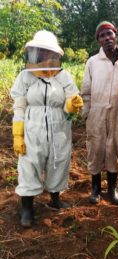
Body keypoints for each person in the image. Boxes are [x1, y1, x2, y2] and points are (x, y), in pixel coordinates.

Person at [11, 30, 83, 228]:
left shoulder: (64, 77)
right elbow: (19, 107)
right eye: (39, 53)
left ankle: (55, 198)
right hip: (32, 129)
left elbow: (69, 106)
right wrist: (18, 135)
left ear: (54, 56)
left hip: (59, 128)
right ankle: (27, 207)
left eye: (45, 54)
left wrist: (72, 105)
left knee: (58, 161)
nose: (42, 58)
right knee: (29, 165)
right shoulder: (25, 77)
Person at [81, 21, 118, 205]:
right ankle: (96, 189)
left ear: (116, 35)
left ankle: (112, 188)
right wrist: (86, 114)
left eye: (109, 34)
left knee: (115, 149)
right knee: (96, 149)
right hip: (96, 114)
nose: (107, 38)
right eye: (102, 36)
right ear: (98, 40)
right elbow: (86, 91)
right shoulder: (93, 62)